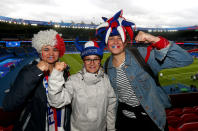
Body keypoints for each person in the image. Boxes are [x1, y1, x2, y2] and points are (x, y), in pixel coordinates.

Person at [96, 10, 193, 131]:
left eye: (119, 38)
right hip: (123, 122)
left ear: (126, 41)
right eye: (111, 38)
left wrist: (154, 39)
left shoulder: (142, 55)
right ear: (106, 43)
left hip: (151, 120)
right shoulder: (106, 66)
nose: (115, 42)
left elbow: (185, 60)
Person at [2, 29, 71, 131]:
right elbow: (9, 104)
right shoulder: (29, 71)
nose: (51, 53)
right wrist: (35, 72)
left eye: (55, 49)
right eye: (46, 49)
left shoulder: (64, 72)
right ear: (39, 51)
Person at [47, 40, 116, 131]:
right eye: (88, 59)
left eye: (95, 59)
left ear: (100, 61)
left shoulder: (106, 79)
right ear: (84, 61)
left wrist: (111, 128)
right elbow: (56, 101)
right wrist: (56, 75)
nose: (92, 63)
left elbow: (111, 106)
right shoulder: (73, 80)